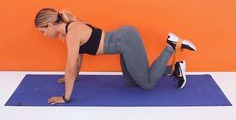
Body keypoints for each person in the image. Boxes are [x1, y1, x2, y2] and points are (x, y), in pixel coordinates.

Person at [35, 8, 197, 105]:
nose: (44, 35)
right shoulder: (72, 29)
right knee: (131, 82)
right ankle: (174, 69)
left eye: (42, 31)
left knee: (147, 84)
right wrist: (75, 77)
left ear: (49, 25)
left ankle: (171, 46)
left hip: (126, 41)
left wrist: (66, 98)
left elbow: (69, 68)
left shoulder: (72, 33)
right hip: (124, 42)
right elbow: (77, 58)